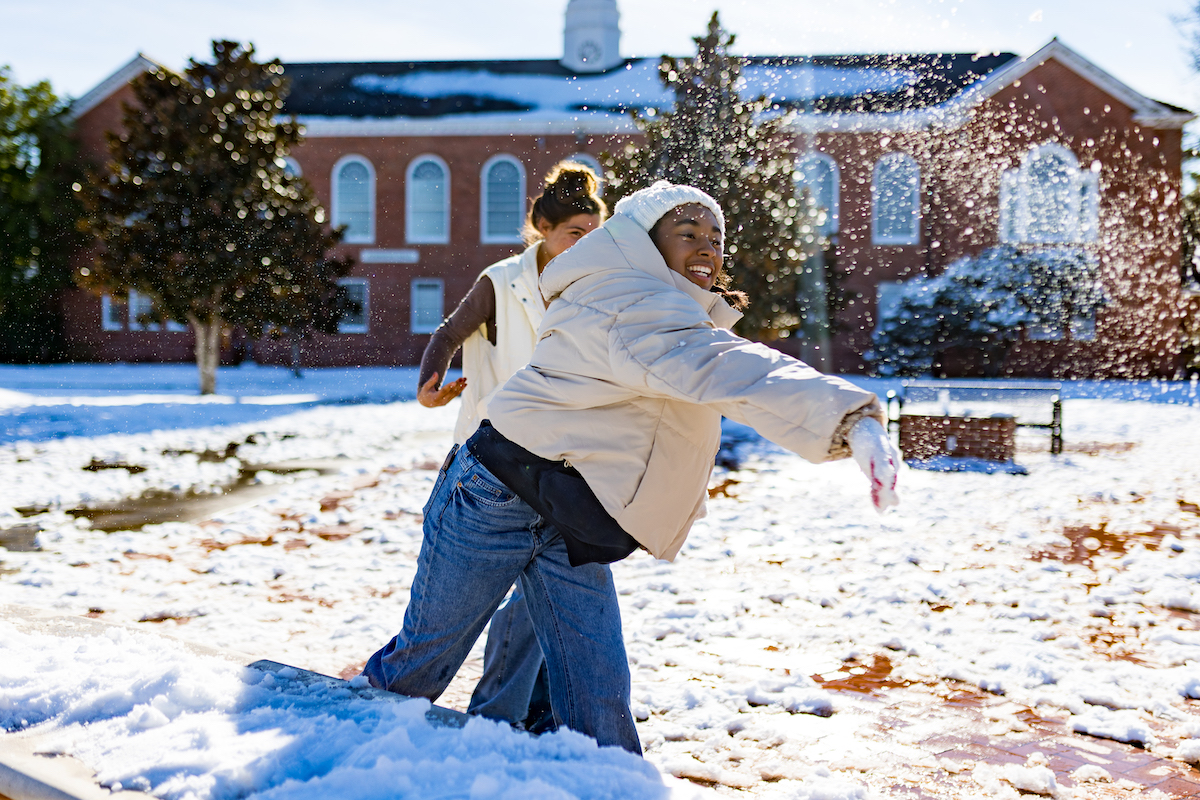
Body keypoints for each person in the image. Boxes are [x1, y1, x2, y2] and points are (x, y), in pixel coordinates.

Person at [364, 180, 901, 755]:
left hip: (570, 509)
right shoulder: (625, 299)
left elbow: (719, 371)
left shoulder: (664, 308)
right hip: (495, 495)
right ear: (643, 241)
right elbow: (730, 370)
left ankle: (609, 781)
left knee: (597, 696)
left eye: (716, 239)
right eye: (687, 234)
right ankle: (329, 751)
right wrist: (848, 419)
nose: (706, 249)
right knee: (421, 667)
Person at [414, 161, 606, 732]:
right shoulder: (501, 282)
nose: (585, 246)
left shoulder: (595, 288)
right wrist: (430, 386)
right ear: (542, 227)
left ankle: (526, 716)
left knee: (542, 608)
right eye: (575, 233)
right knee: (465, 612)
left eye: (596, 236)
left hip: (568, 469)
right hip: (490, 470)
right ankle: (498, 715)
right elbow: (447, 334)